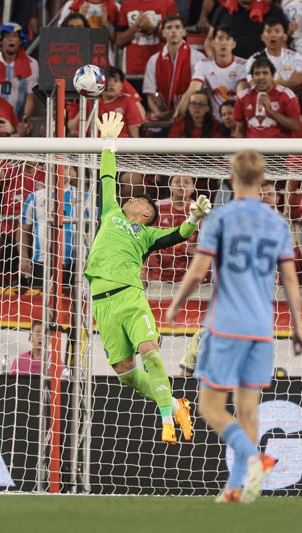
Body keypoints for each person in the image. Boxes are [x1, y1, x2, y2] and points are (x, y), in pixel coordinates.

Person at [165, 149, 302, 503]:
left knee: (210, 406)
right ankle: (239, 488)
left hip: (226, 324)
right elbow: (290, 279)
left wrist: (177, 304)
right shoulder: (277, 222)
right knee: (247, 410)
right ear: (263, 180)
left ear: (230, 177)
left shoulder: (220, 218)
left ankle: (256, 460)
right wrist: (300, 328)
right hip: (262, 328)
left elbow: (198, 272)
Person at [86, 111, 207, 444]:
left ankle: (167, 420)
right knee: (125, 373)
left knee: (150, 350)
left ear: (145, 214)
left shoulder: (146, 234)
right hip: (100, 303)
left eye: (139, 199)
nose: (132, 197)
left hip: (128, 295)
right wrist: (109, 143)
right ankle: (175, 405)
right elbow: (106, 178)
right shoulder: (110, 212)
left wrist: (194, 218)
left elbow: (178, 234)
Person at [18, 166, 83, 289]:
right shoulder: (35, 197)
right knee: (38, 304)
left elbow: (92, 229)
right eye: (56, 168)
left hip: (74, 263)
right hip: (42, 262)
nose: (61, 171)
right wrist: (24, 256)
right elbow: (23, 230)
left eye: (65, 168)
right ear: (48, 170)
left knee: (72, 305)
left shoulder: (81, 197)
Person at [142, 14, 205, 123]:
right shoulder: (153, 60)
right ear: (163, 32)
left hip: (189, 114)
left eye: (177, 27)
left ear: (184, 32)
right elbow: (150, 93)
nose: (173, 31)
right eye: (169, 27)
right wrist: (158, 113)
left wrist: (180, 112)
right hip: (163, 114)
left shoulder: (198, 58)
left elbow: (199, 91)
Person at [175, 26, 246, 120]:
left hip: (236, 119)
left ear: (233, 44)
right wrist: (178, 114)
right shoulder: (204, 64)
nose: (223, 43)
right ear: (213, 43)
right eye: (220, 38)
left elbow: (243, 94)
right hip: (213, 121)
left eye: (228, 39)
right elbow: (192, 90)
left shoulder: (244, 65)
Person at [146, 174, 206, 285]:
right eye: (177, 181)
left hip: (189, 274)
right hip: (159, 274)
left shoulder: (200, 210)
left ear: (193, 187)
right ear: (170, 185)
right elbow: (147, 239)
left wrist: (199, 248)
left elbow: (209, 241)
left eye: (186, 182)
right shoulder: (157, 207)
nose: (181, 185)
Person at [0, 22, 39, 131]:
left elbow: (30, 97)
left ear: (20, 41)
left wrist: (26, 119)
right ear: (0, 41)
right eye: (7, 37)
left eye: (15, 36)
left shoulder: (32, 64)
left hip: (16, 118)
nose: (11, 39)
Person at [233, 55, 302, 138]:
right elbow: (240, 130)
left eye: (265, 73)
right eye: (257, 74)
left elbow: (296, 127)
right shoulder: (243, 97)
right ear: (252, 77)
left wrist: (271, 111)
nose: (261, 77)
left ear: (272, 76)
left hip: (279, 148)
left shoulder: (286, 95)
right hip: (253, 148)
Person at [67, 66, 144, 137]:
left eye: (116, 81)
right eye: (108, 80)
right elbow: (73, 130)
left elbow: (134, 135)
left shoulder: (128, 102)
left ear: (121, 86)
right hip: (94, 148)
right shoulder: (91, 102)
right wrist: (84, 109)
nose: (111, 84)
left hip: (119, 148)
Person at [203, 0, 288, 60]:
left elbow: (281, 41)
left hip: (262, 67)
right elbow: (209, 39)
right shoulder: (222, 10)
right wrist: (215, 62)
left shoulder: (272, 10)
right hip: (231, 68)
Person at [241, 18, 302, 94]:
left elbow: (298, 82)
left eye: (277, 31)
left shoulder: (295, 56)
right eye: (268, 32)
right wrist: (288, 84)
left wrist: (270, 83)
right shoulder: (254, 60)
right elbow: (254, 85)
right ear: (262, 37)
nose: (272, 35)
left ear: (284, 37)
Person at [115, 0, 179, 76]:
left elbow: (176, 39)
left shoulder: (168, 4)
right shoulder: (126, 5)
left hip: (161, 67)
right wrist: (136, 27)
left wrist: (152, 29)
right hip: (133, 69)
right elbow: (119, 42)